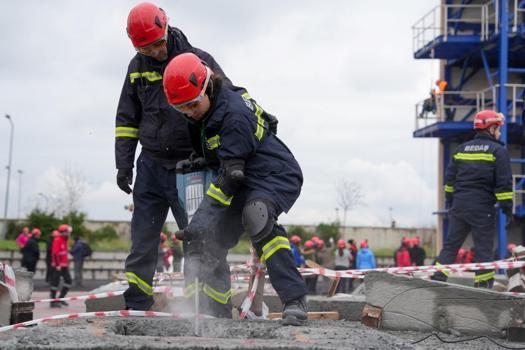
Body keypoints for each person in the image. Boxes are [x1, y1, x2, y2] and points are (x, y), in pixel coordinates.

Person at [118, 3, 276, 311]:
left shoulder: (199, 61)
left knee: (202, 239)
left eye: (158, 43)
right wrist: (123, 164)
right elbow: (126, 121)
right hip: (149, 166)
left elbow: (226, 97)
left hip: (189, 168)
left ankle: (212, 310)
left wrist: (257, 114)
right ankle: (137, 305)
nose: (155, 51)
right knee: (142, 242)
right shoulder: (137, 68)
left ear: (167, 28)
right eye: (146, 47)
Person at [163, 53, 308, 326]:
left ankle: (295, 301)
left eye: (193, 104)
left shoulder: (234, 115)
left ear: (207, 86)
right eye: (182, 108)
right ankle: (215, 312)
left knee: (257, 216)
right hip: (240, 177)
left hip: (274, 175)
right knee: (210, 240)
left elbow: (230, 179)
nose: (190, 112)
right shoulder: (198, 112)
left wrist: (199, 221)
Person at [432, 110, 513, 289]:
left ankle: (437, 281)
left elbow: (449, 181)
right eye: (498, 128)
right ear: (491, 128)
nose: (499, 132)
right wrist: (508, 209)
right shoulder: (498, 151)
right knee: (483, 250)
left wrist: (451, 202)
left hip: (459, 207)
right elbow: (504, 185)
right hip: (482, 209)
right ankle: (483, 287)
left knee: (450, 246)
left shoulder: (461, 150)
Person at [50, 224, 73, 307]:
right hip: (58, 266)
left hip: (64, 265)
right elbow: (55, 254)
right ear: (64, 232)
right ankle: (52, 302)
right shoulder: (57, 240)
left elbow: (64, 253)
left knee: (68, 281)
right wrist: (57, 265)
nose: (69, 233)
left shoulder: (64, 240)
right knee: (55, 283)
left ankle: (61, 299)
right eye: (68, 232)